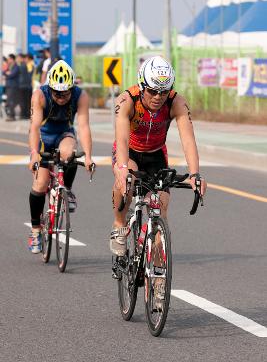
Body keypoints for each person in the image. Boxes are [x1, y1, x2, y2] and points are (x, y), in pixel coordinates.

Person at [110, 55, 207, 255]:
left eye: (163, 92)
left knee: (160, 205)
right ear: (142, 85)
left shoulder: (176, 102)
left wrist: (195, 174)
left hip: (156, 155)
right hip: (129, 153)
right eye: (152, 91)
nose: (158, 97)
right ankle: (119, 224)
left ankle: (156, 273)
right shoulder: (127, 100)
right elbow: (121, 140)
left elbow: (188, 139)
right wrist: (121, 169)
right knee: (127, 179)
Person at [28, 59, 94, 253]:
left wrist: (88, 156)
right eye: (57, 93)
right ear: (51, 88)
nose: (62, 97)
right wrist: (34, 154)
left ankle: (67, 189)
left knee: (70, 153)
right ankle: (35, 230)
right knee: (40, 184)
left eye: (66, 92)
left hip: (64, 133)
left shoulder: (80, 96)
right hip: (43, 136)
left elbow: (83, 126)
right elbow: (34, 127)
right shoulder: (40, 95)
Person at [3, 54, 20, 121]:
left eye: (9, 59)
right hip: (8, 86)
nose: (8, 60)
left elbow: (11, 75)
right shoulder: (10, 66)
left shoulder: (16, 67)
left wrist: (8, 74)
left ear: (12, 59)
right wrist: (7, 73)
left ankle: (12, 116)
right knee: (9, 101)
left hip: (13, 86)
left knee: (11, 101)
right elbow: (4, 72)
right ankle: (10, 115)